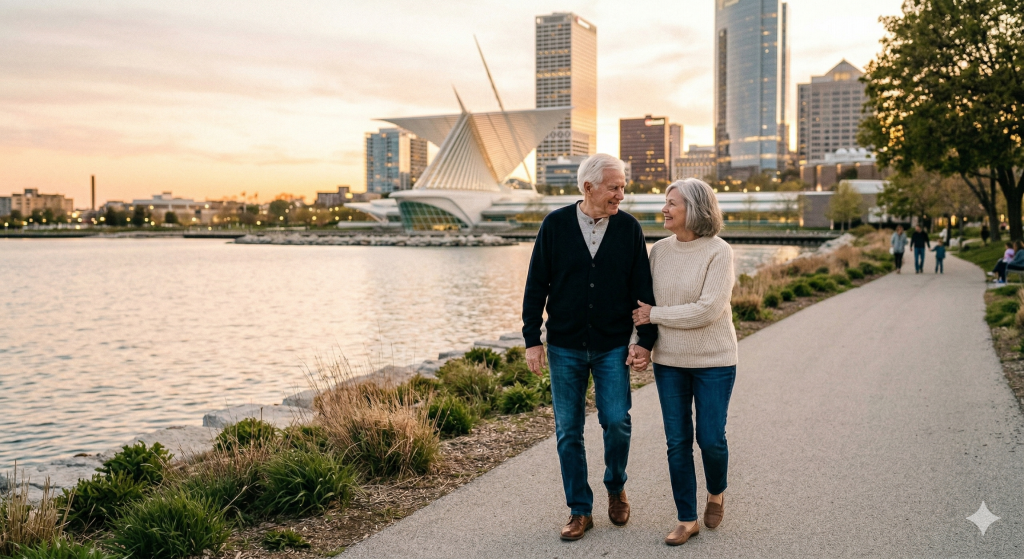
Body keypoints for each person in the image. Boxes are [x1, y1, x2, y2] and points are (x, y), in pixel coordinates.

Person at [522, 153, 658, 541]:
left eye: (622, 187)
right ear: (589, 187)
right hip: (564, 346)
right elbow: (536, 286)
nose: (621, 193)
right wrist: (533, 340)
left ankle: (616, 487)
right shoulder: (555, 225)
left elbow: (642, 290)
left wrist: (643, 341)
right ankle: (580, 509)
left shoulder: (629, 229)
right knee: (568, 430)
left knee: (616, 420)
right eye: (615, 187)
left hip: (612, 345)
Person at [632, 178, 737, 546]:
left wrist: (656, 315)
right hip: (670, 361)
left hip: (714, 361)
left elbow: (708, 310)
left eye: (672, 203)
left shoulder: (718, 251)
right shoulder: (659, 250)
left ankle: (717, 492)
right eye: (665, 202)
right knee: (677, 441)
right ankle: (686, 518)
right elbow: (641, 307)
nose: (664, 208)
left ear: (694, 208)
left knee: (710, 439)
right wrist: (638, 344)